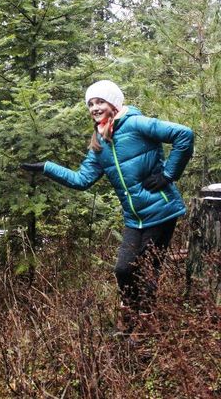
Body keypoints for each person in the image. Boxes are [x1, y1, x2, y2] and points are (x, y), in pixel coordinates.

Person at [21, 80, 194, 337]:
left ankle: (143, 331)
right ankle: (132, 321)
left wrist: (168, 175)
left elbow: (184, 134)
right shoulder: (100, 142)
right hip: (134, 219)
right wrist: (47, 167)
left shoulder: (136, 123)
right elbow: (82, 180)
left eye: (100, 101)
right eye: (90, 104)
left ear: (114, 103)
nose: (94, 107)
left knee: (147, 272)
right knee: (123, 269)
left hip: (161, 211)